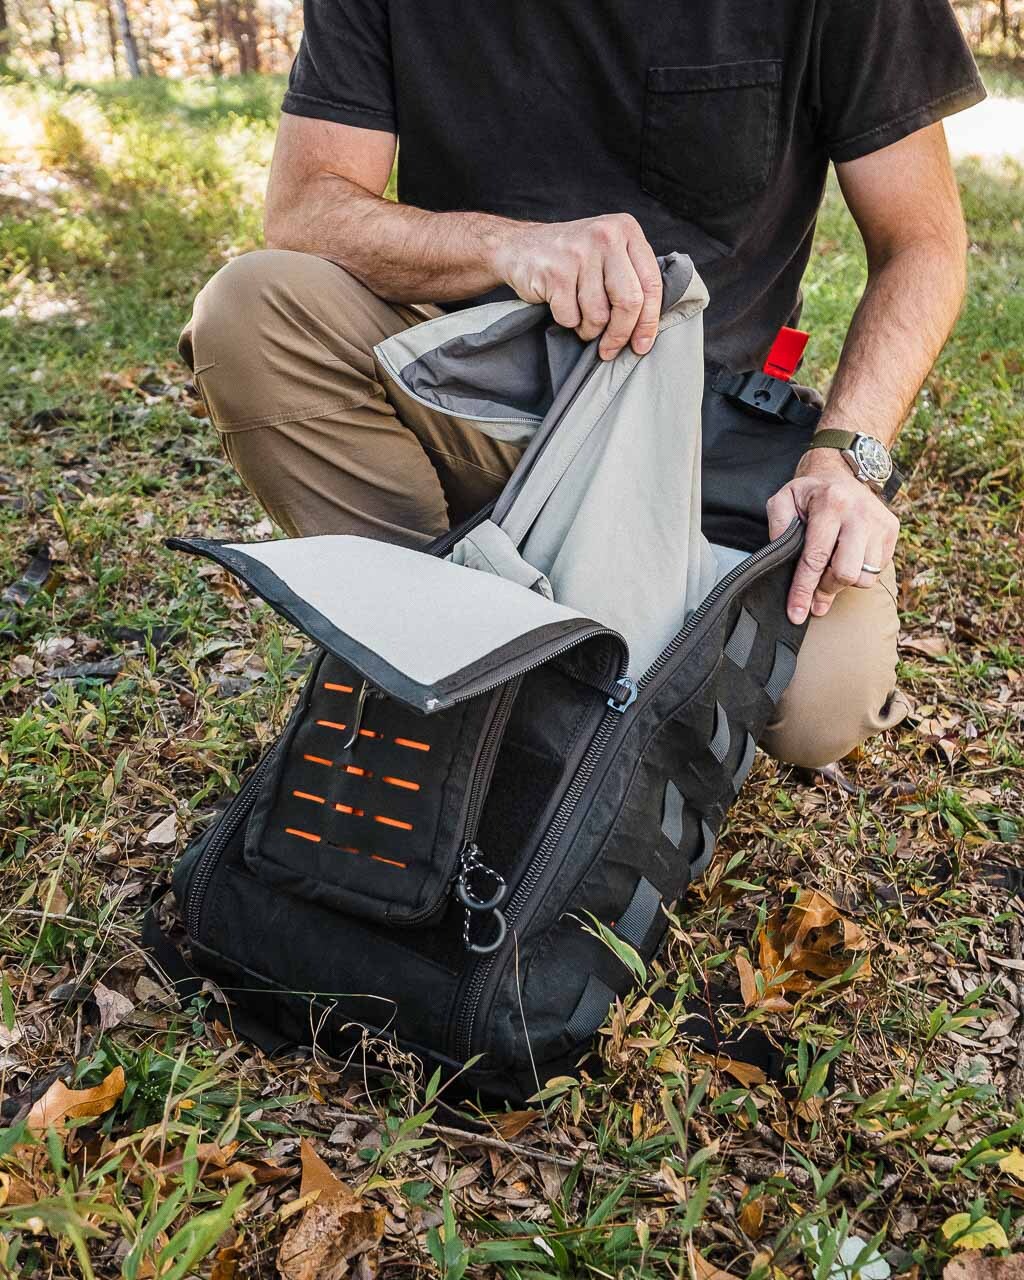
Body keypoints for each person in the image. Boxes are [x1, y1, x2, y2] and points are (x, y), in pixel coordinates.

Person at [179, 0, 984, 769]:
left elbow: (922, 244)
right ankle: (437, 642)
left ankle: (531, 638)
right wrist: (506, 248)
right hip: (471, 399)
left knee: (823, 706)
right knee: (249, 309)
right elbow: (305, 209)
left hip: (701, 448)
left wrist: (842, 459)